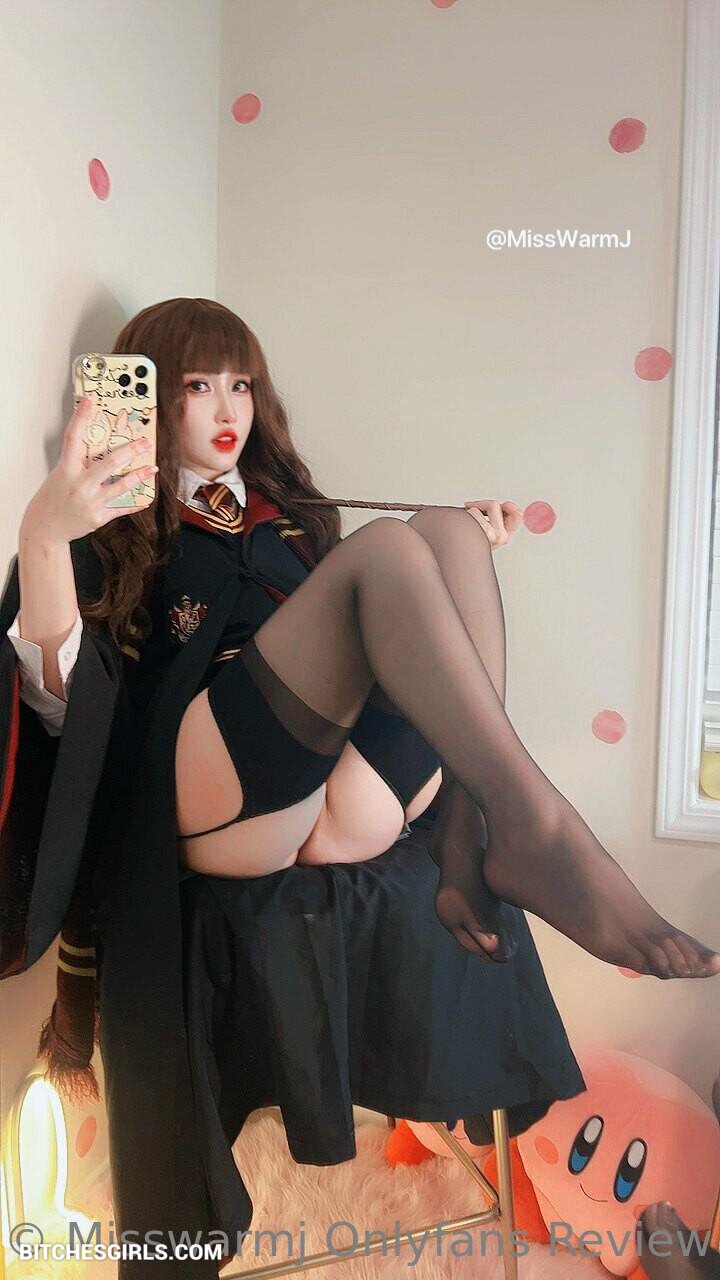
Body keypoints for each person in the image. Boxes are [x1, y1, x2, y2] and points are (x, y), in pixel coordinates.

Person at [0, 297, 714, 1277]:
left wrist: (461, 564)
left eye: (241, 383)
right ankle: (526, 825)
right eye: (197, 385)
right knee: (388, 552)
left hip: (329, 809)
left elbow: (367, 653)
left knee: (447, 533)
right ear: (148, 400)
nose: (227, 409)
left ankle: (471, 826)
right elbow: (60, 712)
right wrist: (45, 535)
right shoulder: (107, 519)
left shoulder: (289, 520)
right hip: (210, 802)